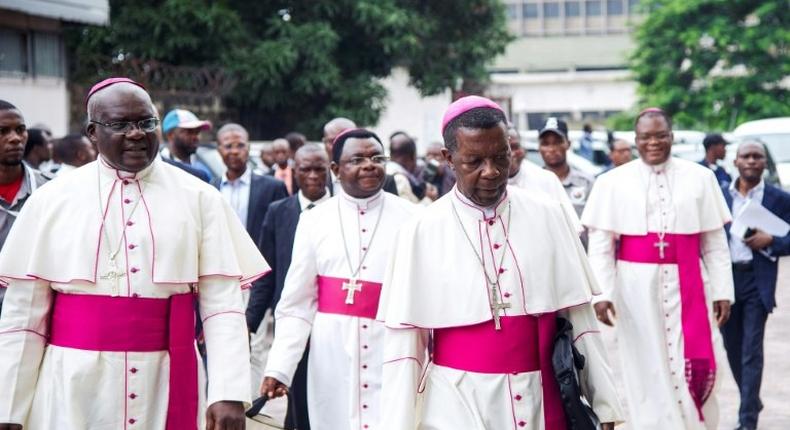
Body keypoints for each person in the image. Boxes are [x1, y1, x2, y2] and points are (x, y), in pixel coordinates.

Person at [0, 78, 268, 430]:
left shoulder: (201, 198)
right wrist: (8, 408)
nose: (137, 133)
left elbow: (223, 305)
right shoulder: (52, 200)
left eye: (146, 122)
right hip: (73, 385)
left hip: (167, 378)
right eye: (121, 125)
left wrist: (229, 391)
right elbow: (25, 317)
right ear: (92, 133)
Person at [377, 96, 622, 430]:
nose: (491, 171)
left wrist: (605, 404)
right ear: (449, 159)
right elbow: (405, 349)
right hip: (457, 402)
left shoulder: (548, 215)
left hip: (540, 397)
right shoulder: (418, 231)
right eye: (474, 161)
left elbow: (578, 317)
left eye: (500, 157)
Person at [581, 107, 733, 429]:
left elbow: (715, 243)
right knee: (643, 364)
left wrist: (722, 291)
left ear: (672, 137)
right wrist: (602, 294)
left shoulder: (700, 178)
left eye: (660, 135)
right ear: (635, 140)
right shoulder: (612, 182)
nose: (654, 142)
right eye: (646, 137)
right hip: (636, 286)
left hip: (690, 281)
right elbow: (601, 245)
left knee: (696, 360)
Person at [261, 129, 417, 430]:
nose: (369, 164)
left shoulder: (412, 218)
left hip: (394, 347)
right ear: (336, 170)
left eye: (376, 157)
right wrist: (279, 367)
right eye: (357, 159)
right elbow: (296, 304)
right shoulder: (314, 220)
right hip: (331, 351)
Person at [248, 143, 332, 430]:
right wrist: (249, 323)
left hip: (330, 322)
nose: (312, 176)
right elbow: (267, 273)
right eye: (305, 169)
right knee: (295, 397)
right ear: (294, 171)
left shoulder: (340, 213)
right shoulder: (278, 211)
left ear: (331, 170)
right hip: (292, 320)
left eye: (319, 169)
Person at [720, 141, 790, 430]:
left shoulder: (779, 198)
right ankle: (751, 398)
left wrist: (772, 240)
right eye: (746, 156)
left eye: (757, 157)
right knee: (731, 347)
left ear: (765, 163)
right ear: (735, 161)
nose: (751, 161)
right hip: (725, 280)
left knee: (752, 351)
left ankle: (747, 420)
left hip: (756, 280)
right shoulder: (720, 196)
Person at [0, 101, 51, 313]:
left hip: (32, 311)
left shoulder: (50, 190)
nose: (15, 138)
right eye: (3, 131)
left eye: (20, 130)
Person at [215, 123, 288, 242]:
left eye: (240, 145)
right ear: (219, 150)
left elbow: (282, 233)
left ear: (248, 147)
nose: (234, 151)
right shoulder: (210, 188)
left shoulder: (272, 187)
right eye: (228, 146)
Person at [507, 126, 581, 231]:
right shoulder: (482, 185)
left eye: (515, 146)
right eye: (505, 148)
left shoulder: (546, 179)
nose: (511, 153)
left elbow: (572, 228)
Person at [538, 117, 595, 218]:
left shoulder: (587, 182)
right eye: (545, 143)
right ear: (539, 147)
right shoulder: (531, 184)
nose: (551, 149)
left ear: (568, 144)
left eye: (557, 142)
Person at [160, 108, 214, 181]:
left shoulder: (203, 170)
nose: (196, 137)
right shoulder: (159, 165)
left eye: (197, 132)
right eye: (189, 132)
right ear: (170, 135)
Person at [387, 131, 437, 204]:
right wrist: (429, 199)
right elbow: (408, 213)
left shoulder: (385, 171)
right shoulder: (399, 179)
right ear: (413, 156)